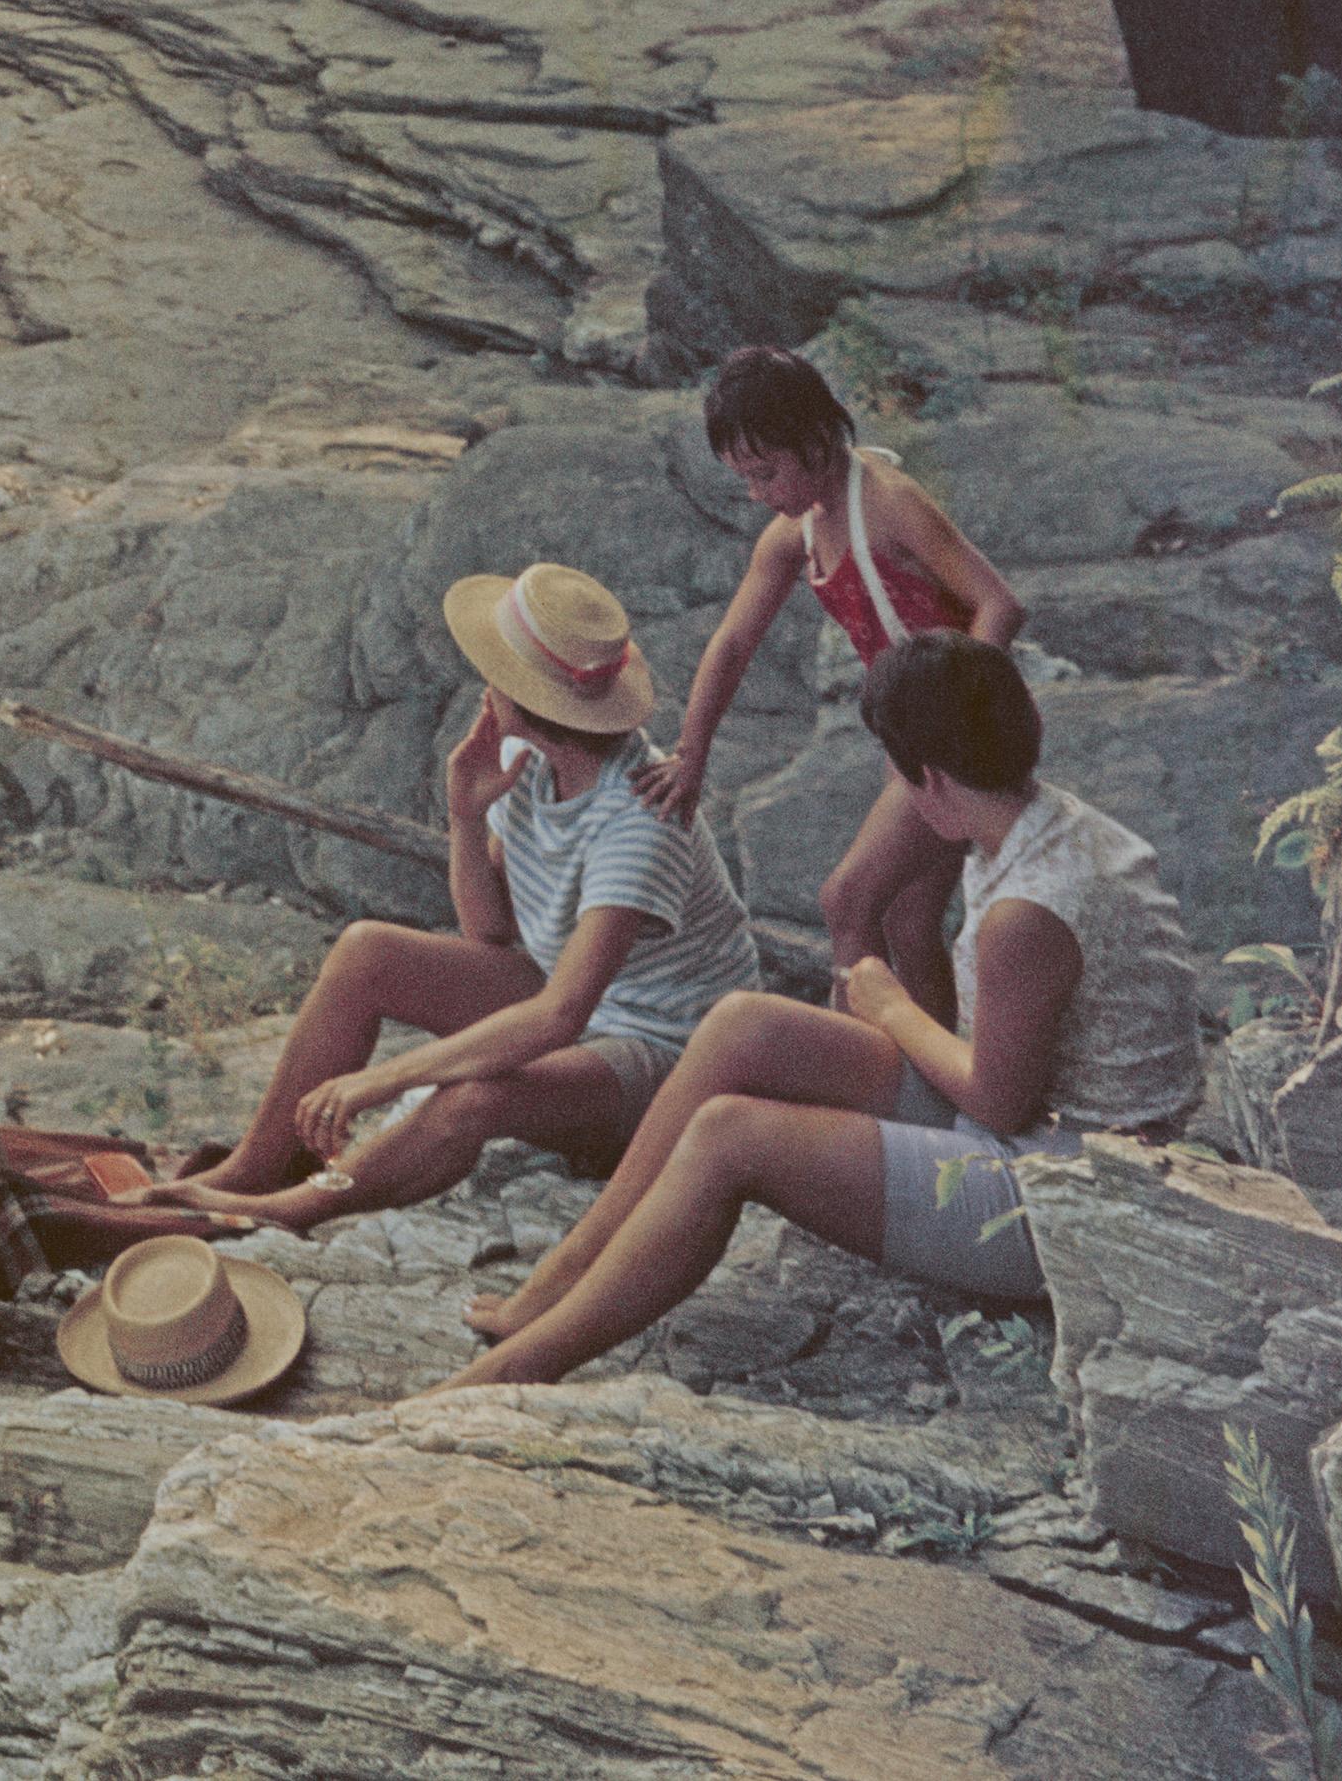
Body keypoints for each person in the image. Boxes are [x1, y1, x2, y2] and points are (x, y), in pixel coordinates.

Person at [449, 630, 1205, 1383]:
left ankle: (511, 1374)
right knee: (743, 1022)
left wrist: (890, 1005)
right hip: (1029, 1123)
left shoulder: (1031, 911)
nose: (896, 792)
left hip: (1067, 1194)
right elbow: (863, 900)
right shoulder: (1032, 819)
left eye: (900, 776)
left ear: (932, 778)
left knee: (729, 1137)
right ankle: (552, 1284)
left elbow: (1000, 1105)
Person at [178, 559, 758, 1235]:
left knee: (479, 1092)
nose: (485, 683)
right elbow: (489, 932)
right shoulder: (539, 768)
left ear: (530, 699)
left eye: (497, 669)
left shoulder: (639, 819)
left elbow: (557, 1018)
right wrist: (465, 813)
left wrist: (386, 1079)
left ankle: (290, 1211)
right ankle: (250, 1169)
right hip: (577, 1004)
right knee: (368, 951)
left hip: (665, 1055)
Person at [649, 346, 1023, 1018]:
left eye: (767, 473)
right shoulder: (798, 530)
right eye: (746, 479)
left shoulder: (889, 503)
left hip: (953, 734)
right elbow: (732, 643)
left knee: (846, 899)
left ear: (817, 440)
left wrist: (952, 717)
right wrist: (691, 754)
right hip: (911, 737)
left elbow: (998, 604)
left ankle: (845, 1070)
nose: (759, 494)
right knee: (909, 924)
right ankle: (932, 1094)